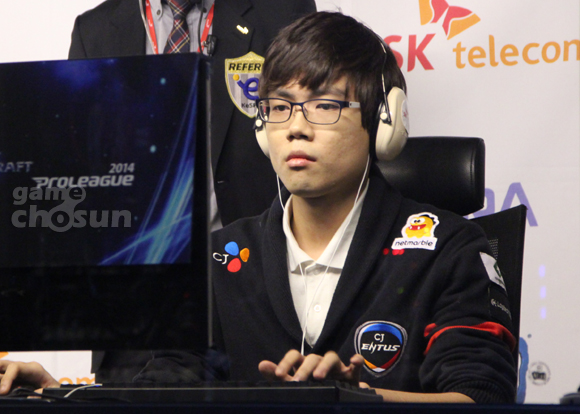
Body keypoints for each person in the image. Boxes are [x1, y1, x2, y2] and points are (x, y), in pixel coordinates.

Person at [0, 11, 517, 403]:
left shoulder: (449, 250)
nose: (296, 127)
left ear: (384, 122)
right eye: (279, 107)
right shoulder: (220, 259)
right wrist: (60, 392)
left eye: (324, 105)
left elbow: (480, 396)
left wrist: (354, 400)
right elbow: (166, 388)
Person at [68, 0, 316, 382]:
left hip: (250, 297)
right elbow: (82, 164)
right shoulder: (94, 30)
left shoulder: (283, 13)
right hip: (135, 307)